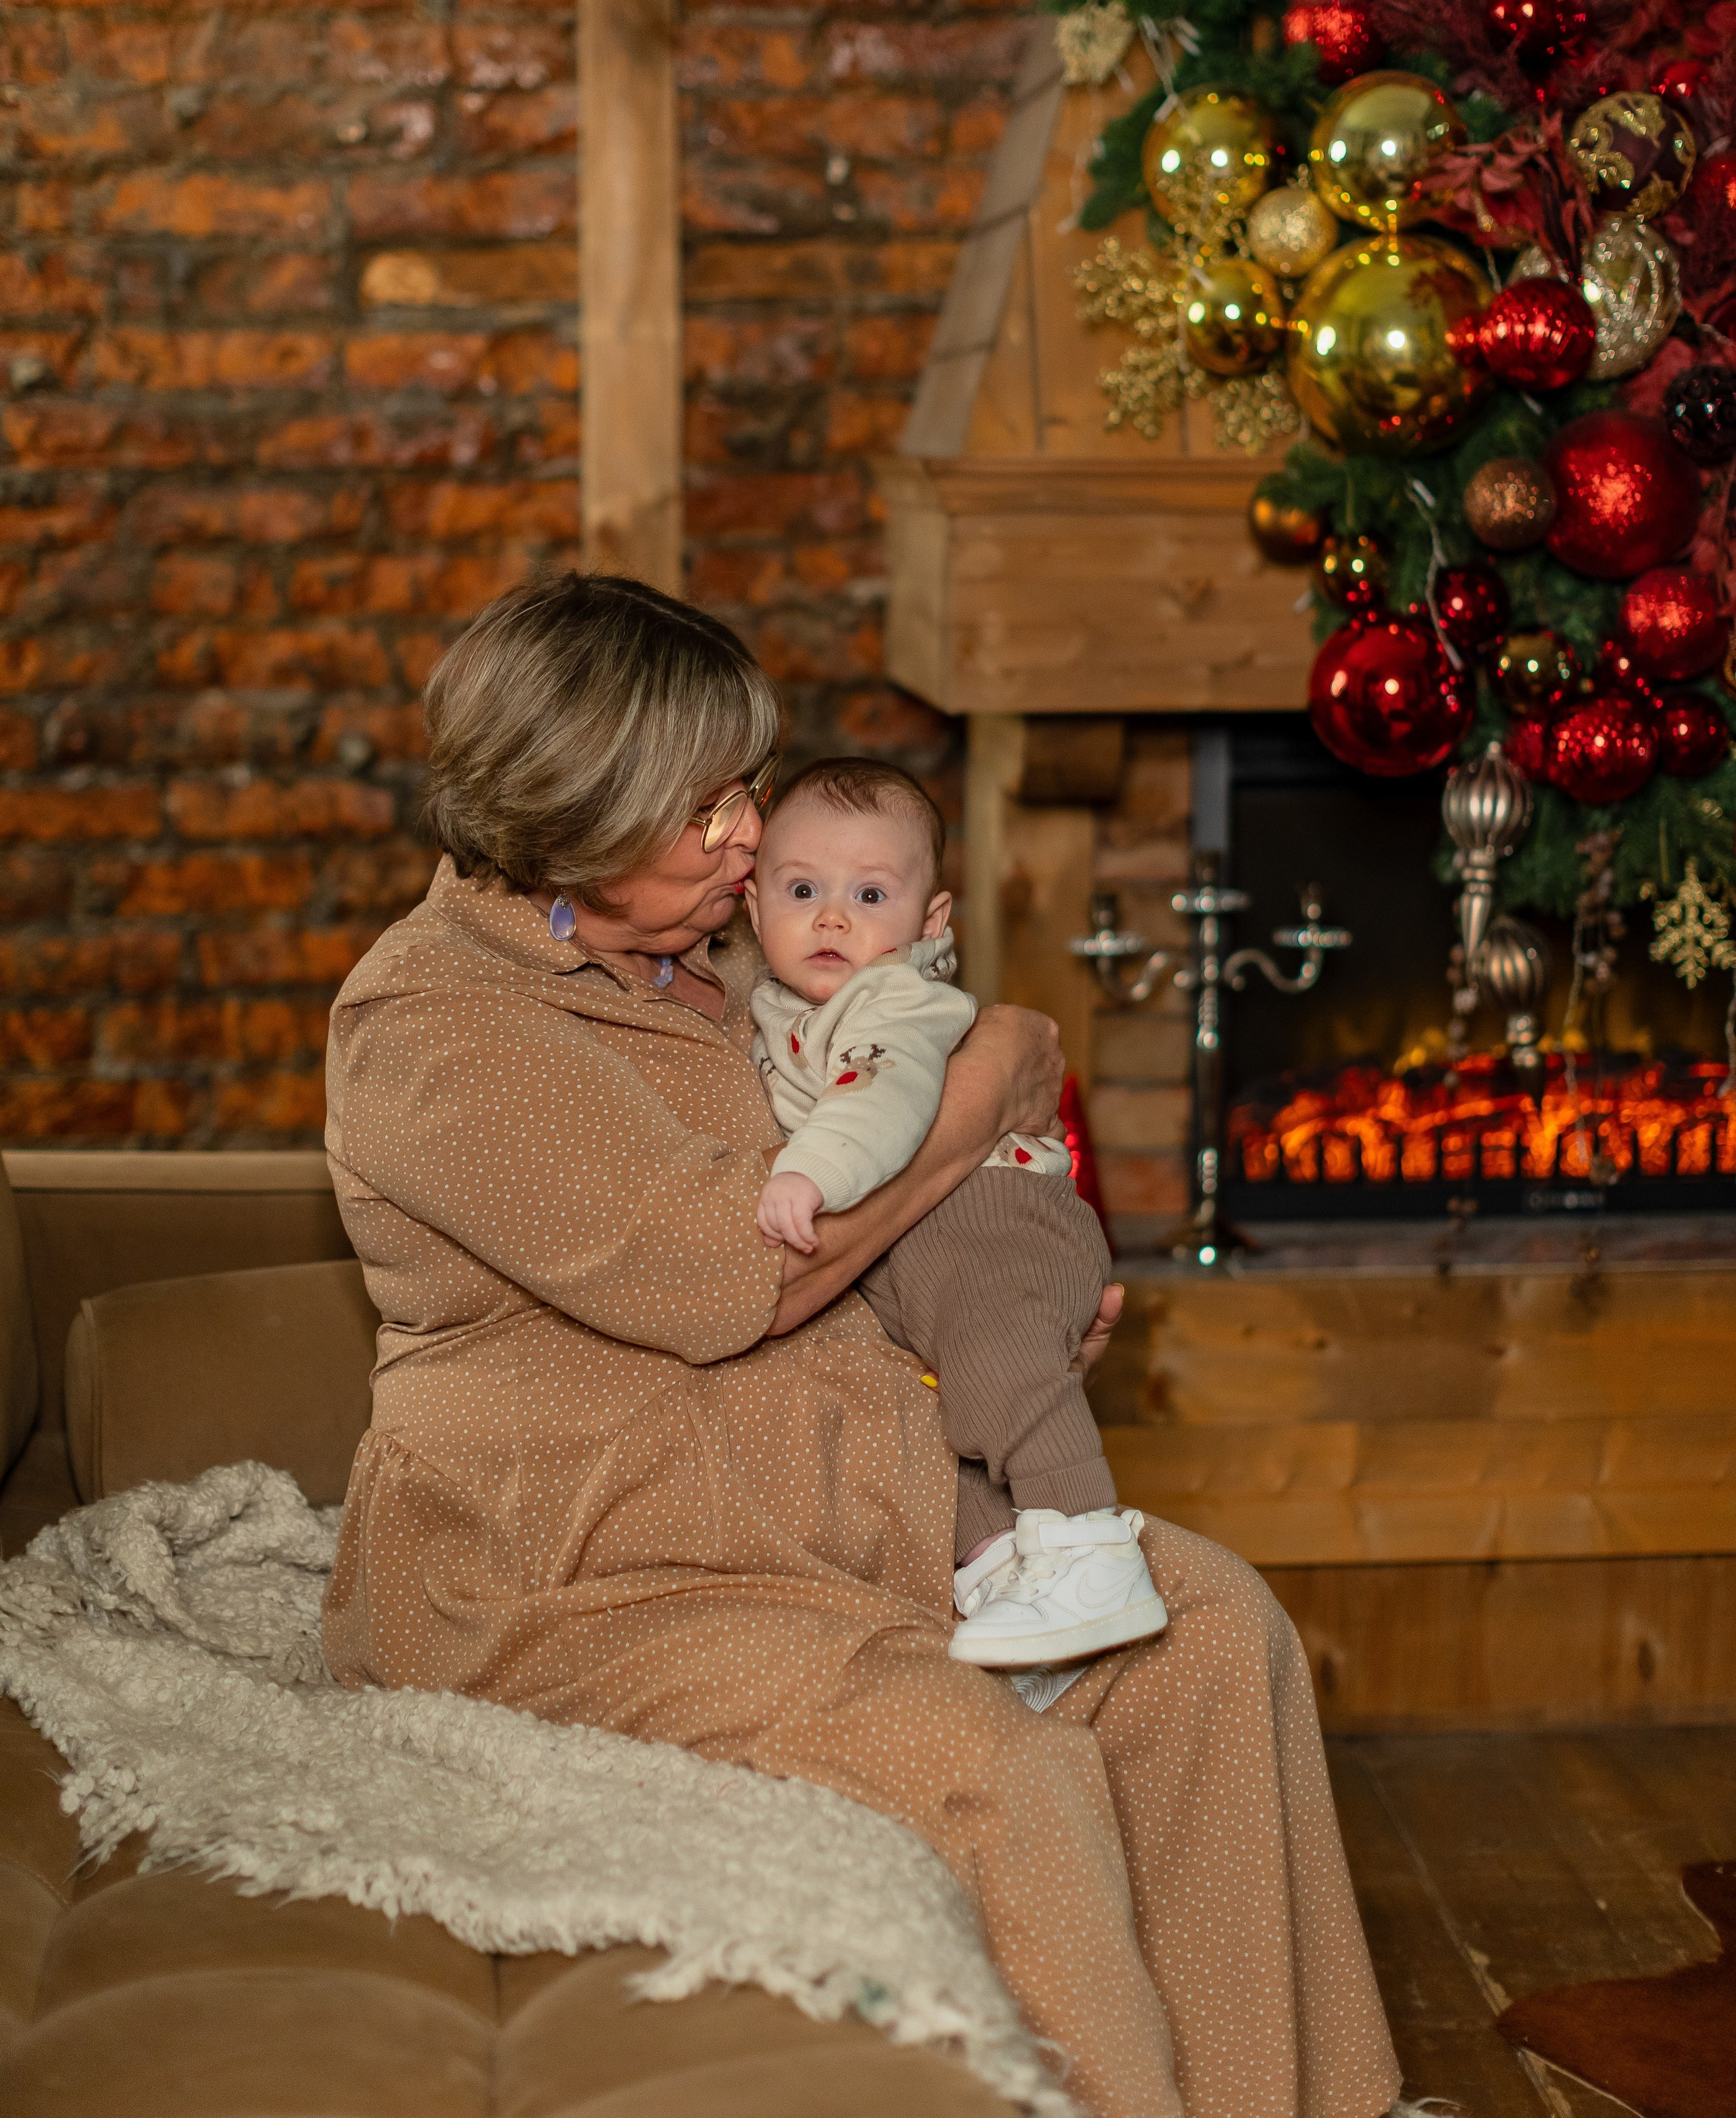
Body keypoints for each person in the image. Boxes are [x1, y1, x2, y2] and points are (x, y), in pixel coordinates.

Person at [322, 571, 1403, 2118]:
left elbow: (867, 1229)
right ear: (572, 812)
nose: (748, 836)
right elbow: (733, 1278)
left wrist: (993, 1347)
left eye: (747, 788)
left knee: (1209, 1631)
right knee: (991, 1770)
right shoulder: (434, 1029)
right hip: (573, 1577)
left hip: (841, 1513)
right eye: (705, 807)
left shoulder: (713, 964)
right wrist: (988, 1091)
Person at [746, 752, 1165, 1679]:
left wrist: (806, 1175)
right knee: (932, 1409)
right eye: (803, 890)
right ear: (753, 905)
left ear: (930, 923)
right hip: (908, 1247)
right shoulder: (773, 1005)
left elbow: (881, 1097)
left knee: (994, 1352)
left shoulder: (894, 997)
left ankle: (1089, 1541)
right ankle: (1001, 1566)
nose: (832, 918)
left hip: (996, 1213)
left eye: (870, 895)